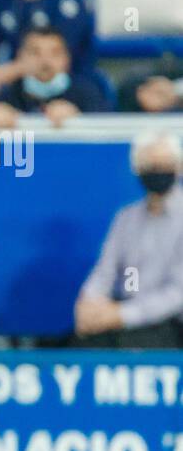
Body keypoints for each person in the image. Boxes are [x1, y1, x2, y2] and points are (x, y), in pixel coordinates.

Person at [75, 130, 183, 348]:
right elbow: (106, 271)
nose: (157, 171)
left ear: (178, 166)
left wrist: (122, 315)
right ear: (137, 169)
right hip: (122, 314)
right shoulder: (127, 218)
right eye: (150, 166)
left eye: (163, 164)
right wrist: (89, 302)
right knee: (80, 345)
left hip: (169, 324)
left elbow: (177, 293)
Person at [0, 27, 109, 129]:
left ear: (67, 58)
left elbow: (110, 120)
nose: (45, 61)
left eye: (55, 53)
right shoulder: (11, 92)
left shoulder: (86, 92)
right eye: (35, 53)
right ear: (21, 57)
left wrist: (77, 117)